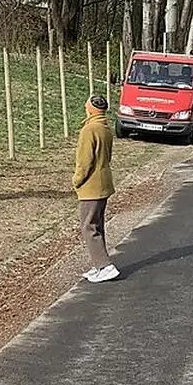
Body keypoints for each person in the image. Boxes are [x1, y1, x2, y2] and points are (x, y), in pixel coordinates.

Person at [73, 94, 119, 283]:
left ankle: (104, 266)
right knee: (97, 224)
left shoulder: (89, 130)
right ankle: (99, 264)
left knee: (88, 226)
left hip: (91, 185)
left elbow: (85, 161)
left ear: (90, 108)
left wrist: (77, 180)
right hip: (104, 181)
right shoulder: (105, 128)